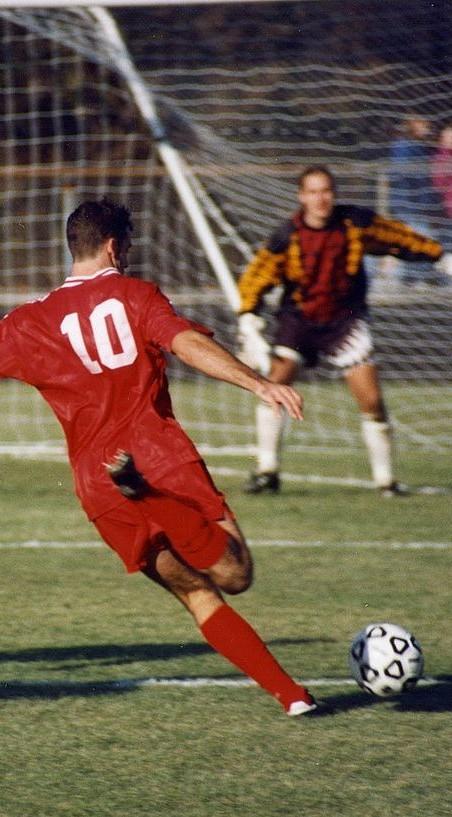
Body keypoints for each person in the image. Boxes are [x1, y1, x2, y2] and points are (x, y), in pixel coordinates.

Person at [0, 198, 320, 718]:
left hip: (98, 485)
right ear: (113, 246)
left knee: (197, 595)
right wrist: (255, 381)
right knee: (235, 574)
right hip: (157, 456)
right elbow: (185, 342)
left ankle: (295, 698)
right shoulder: (134, 294)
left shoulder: (26, 322)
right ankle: (146, 491)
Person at [237, 164, 446, 496]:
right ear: (301, 196)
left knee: (372, 400)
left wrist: (438, 256)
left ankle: (386, 482)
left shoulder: (355, 223)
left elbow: (396, 237)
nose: (321, 199)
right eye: (314, 192)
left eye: (327, 191)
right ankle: (267, 471)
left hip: (344, 321)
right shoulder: (286, 235)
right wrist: (248, 316)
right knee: (275, 386)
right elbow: (257, 276)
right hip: (299, 321)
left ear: (334, 194)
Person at [388, 116, 443, 285]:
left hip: (416, 203)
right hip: (408, 203)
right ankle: (420, 275)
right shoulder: (405, 146)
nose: (427, 128)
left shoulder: (419, 147)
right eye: (423, 124)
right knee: (419, 238)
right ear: (413, 126)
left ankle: (412, 276)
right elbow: (406, 173)